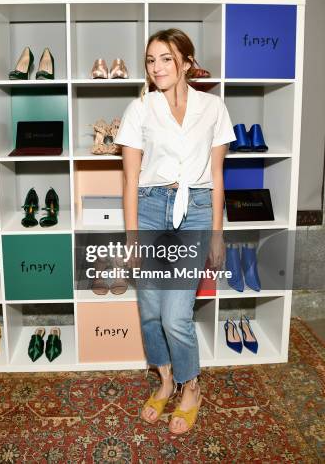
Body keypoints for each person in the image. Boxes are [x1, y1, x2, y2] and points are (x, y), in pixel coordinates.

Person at [114, 28, 236, 435]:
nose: (157, 67)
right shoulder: (140, 109)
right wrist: (132, 237)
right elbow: (130, 180)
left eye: (166, 58)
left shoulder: (214, 107)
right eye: (151, 60)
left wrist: (217, 233)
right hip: (149, 208)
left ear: (186, 62)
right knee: (150, 311)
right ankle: (165, 380)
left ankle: (191, 385)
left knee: (175, 315)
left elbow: (217, 175)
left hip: (197, 209)